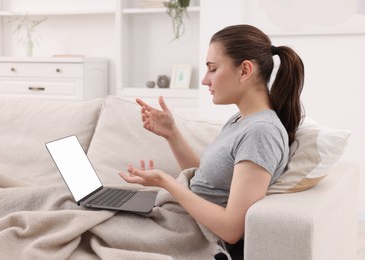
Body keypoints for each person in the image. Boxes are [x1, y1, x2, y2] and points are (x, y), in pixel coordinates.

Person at [119, 24, 304, 259]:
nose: (205, 80)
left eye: (213, 69)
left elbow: (231, 229)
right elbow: (207, 180)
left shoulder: (261, 132)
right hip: (182, 219)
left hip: (196, 237)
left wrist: (167, 183)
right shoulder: (241, 120)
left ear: (245, 70)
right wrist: (171, 133)